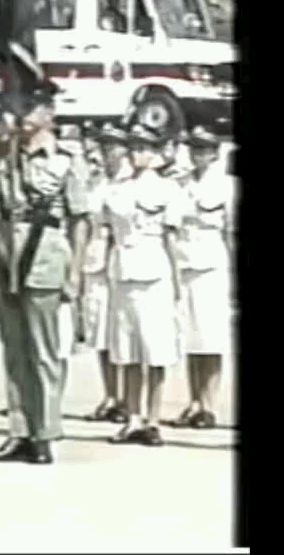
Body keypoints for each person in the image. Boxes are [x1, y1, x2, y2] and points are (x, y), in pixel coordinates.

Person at [0, 82, 92, 465]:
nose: (23, 113)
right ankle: (19, 431)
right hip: (7, 255)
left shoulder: (66, 159)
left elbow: (80, 220)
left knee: (44, 350)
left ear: (50, 112)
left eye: (31, 106)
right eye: (19, 106)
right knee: (14, 349)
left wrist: (75, 272)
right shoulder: (7, 153)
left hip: (45, 254)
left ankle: (45, 432)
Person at [104, 122, 186, 447]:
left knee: (155, 350)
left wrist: (178, 285)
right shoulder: (118, 188)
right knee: (127, 351)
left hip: (155, 273)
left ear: (158, 152)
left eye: (147, 147)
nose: (140, 153)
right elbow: (109, 229)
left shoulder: (168, 190)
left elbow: (171, 239)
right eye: (135, 147)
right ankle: (133, 417)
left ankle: (153, 420)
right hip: (123, 270)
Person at [169, 125, 234, 429]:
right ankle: (193, 402)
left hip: (212, 265)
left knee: (211, 338)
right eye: (194, 149)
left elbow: (231, 232)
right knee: (191, 339)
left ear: (214, 153)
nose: (198, 155)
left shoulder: (226, 186)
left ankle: (209, 404)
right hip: (185, 264)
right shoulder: (179, 183)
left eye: (204, 150)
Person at [81, 122, 132, 423]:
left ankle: (128, 398)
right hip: (97, 260)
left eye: (113, 145)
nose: (107, 151)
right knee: (100, 332)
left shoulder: (132, 180)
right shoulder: (97, 181)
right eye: (104, 145)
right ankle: (110, 395)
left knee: (123, 332)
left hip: (122, 260)